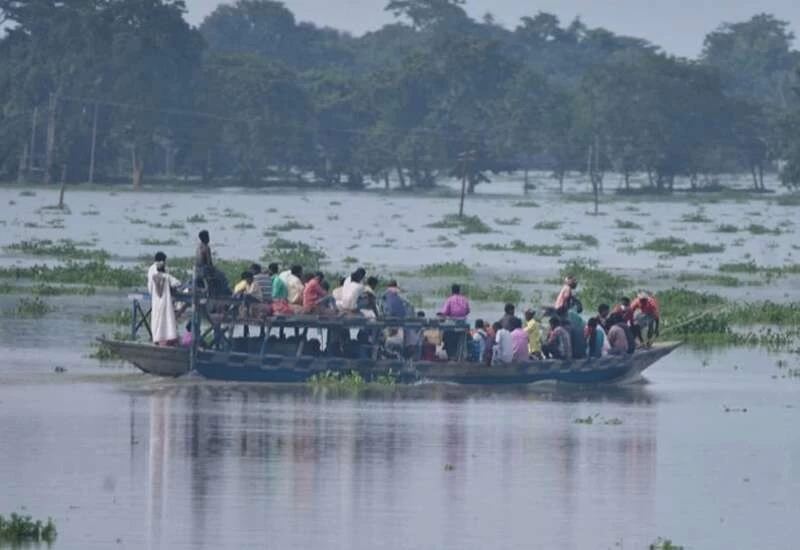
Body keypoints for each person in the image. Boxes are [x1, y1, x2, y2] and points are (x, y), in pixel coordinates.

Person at [148, 260, 182, 346]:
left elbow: (150, 289)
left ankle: (156, 338)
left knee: (156, 320)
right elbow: (178, 283)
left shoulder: (153, 277)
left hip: (156, 303)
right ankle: (167, 338)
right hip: (165, 301)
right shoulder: (167, 276)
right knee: (166, 320)